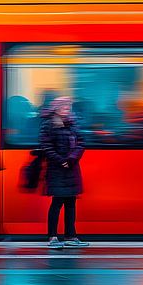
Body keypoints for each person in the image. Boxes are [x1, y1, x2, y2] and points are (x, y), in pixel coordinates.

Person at [40, 96, 88, 248]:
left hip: (71, 169)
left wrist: (72, 159)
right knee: (57, 202)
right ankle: (52, 237)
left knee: (71, 203)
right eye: (65, 108)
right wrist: (61, 160)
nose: (67, 110)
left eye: (69, 108)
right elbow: (46, 147)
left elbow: (81, 143)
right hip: (56, 170)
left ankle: (70, 236)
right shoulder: (49, 124)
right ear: (57, 109)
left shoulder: (73, 124)